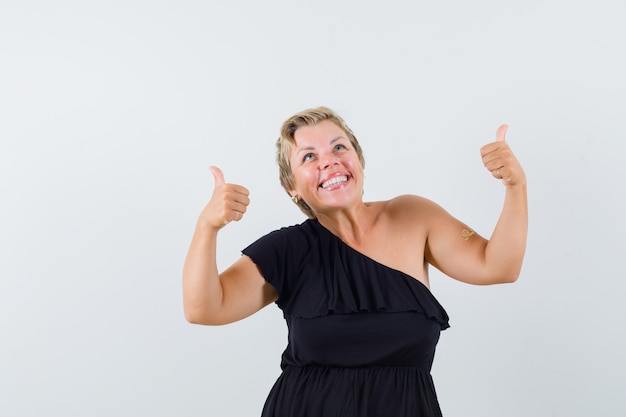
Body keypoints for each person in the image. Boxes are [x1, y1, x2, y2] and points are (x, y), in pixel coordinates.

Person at [182, 106, 528, 417]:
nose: (329, 161)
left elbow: (498, 266)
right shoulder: (287, 249)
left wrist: (515, 185)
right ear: (293, 188)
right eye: (308, 157)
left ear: (358, 160)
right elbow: (204, 309)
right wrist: (207, 226)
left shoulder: (414, 216)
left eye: (338, 147)